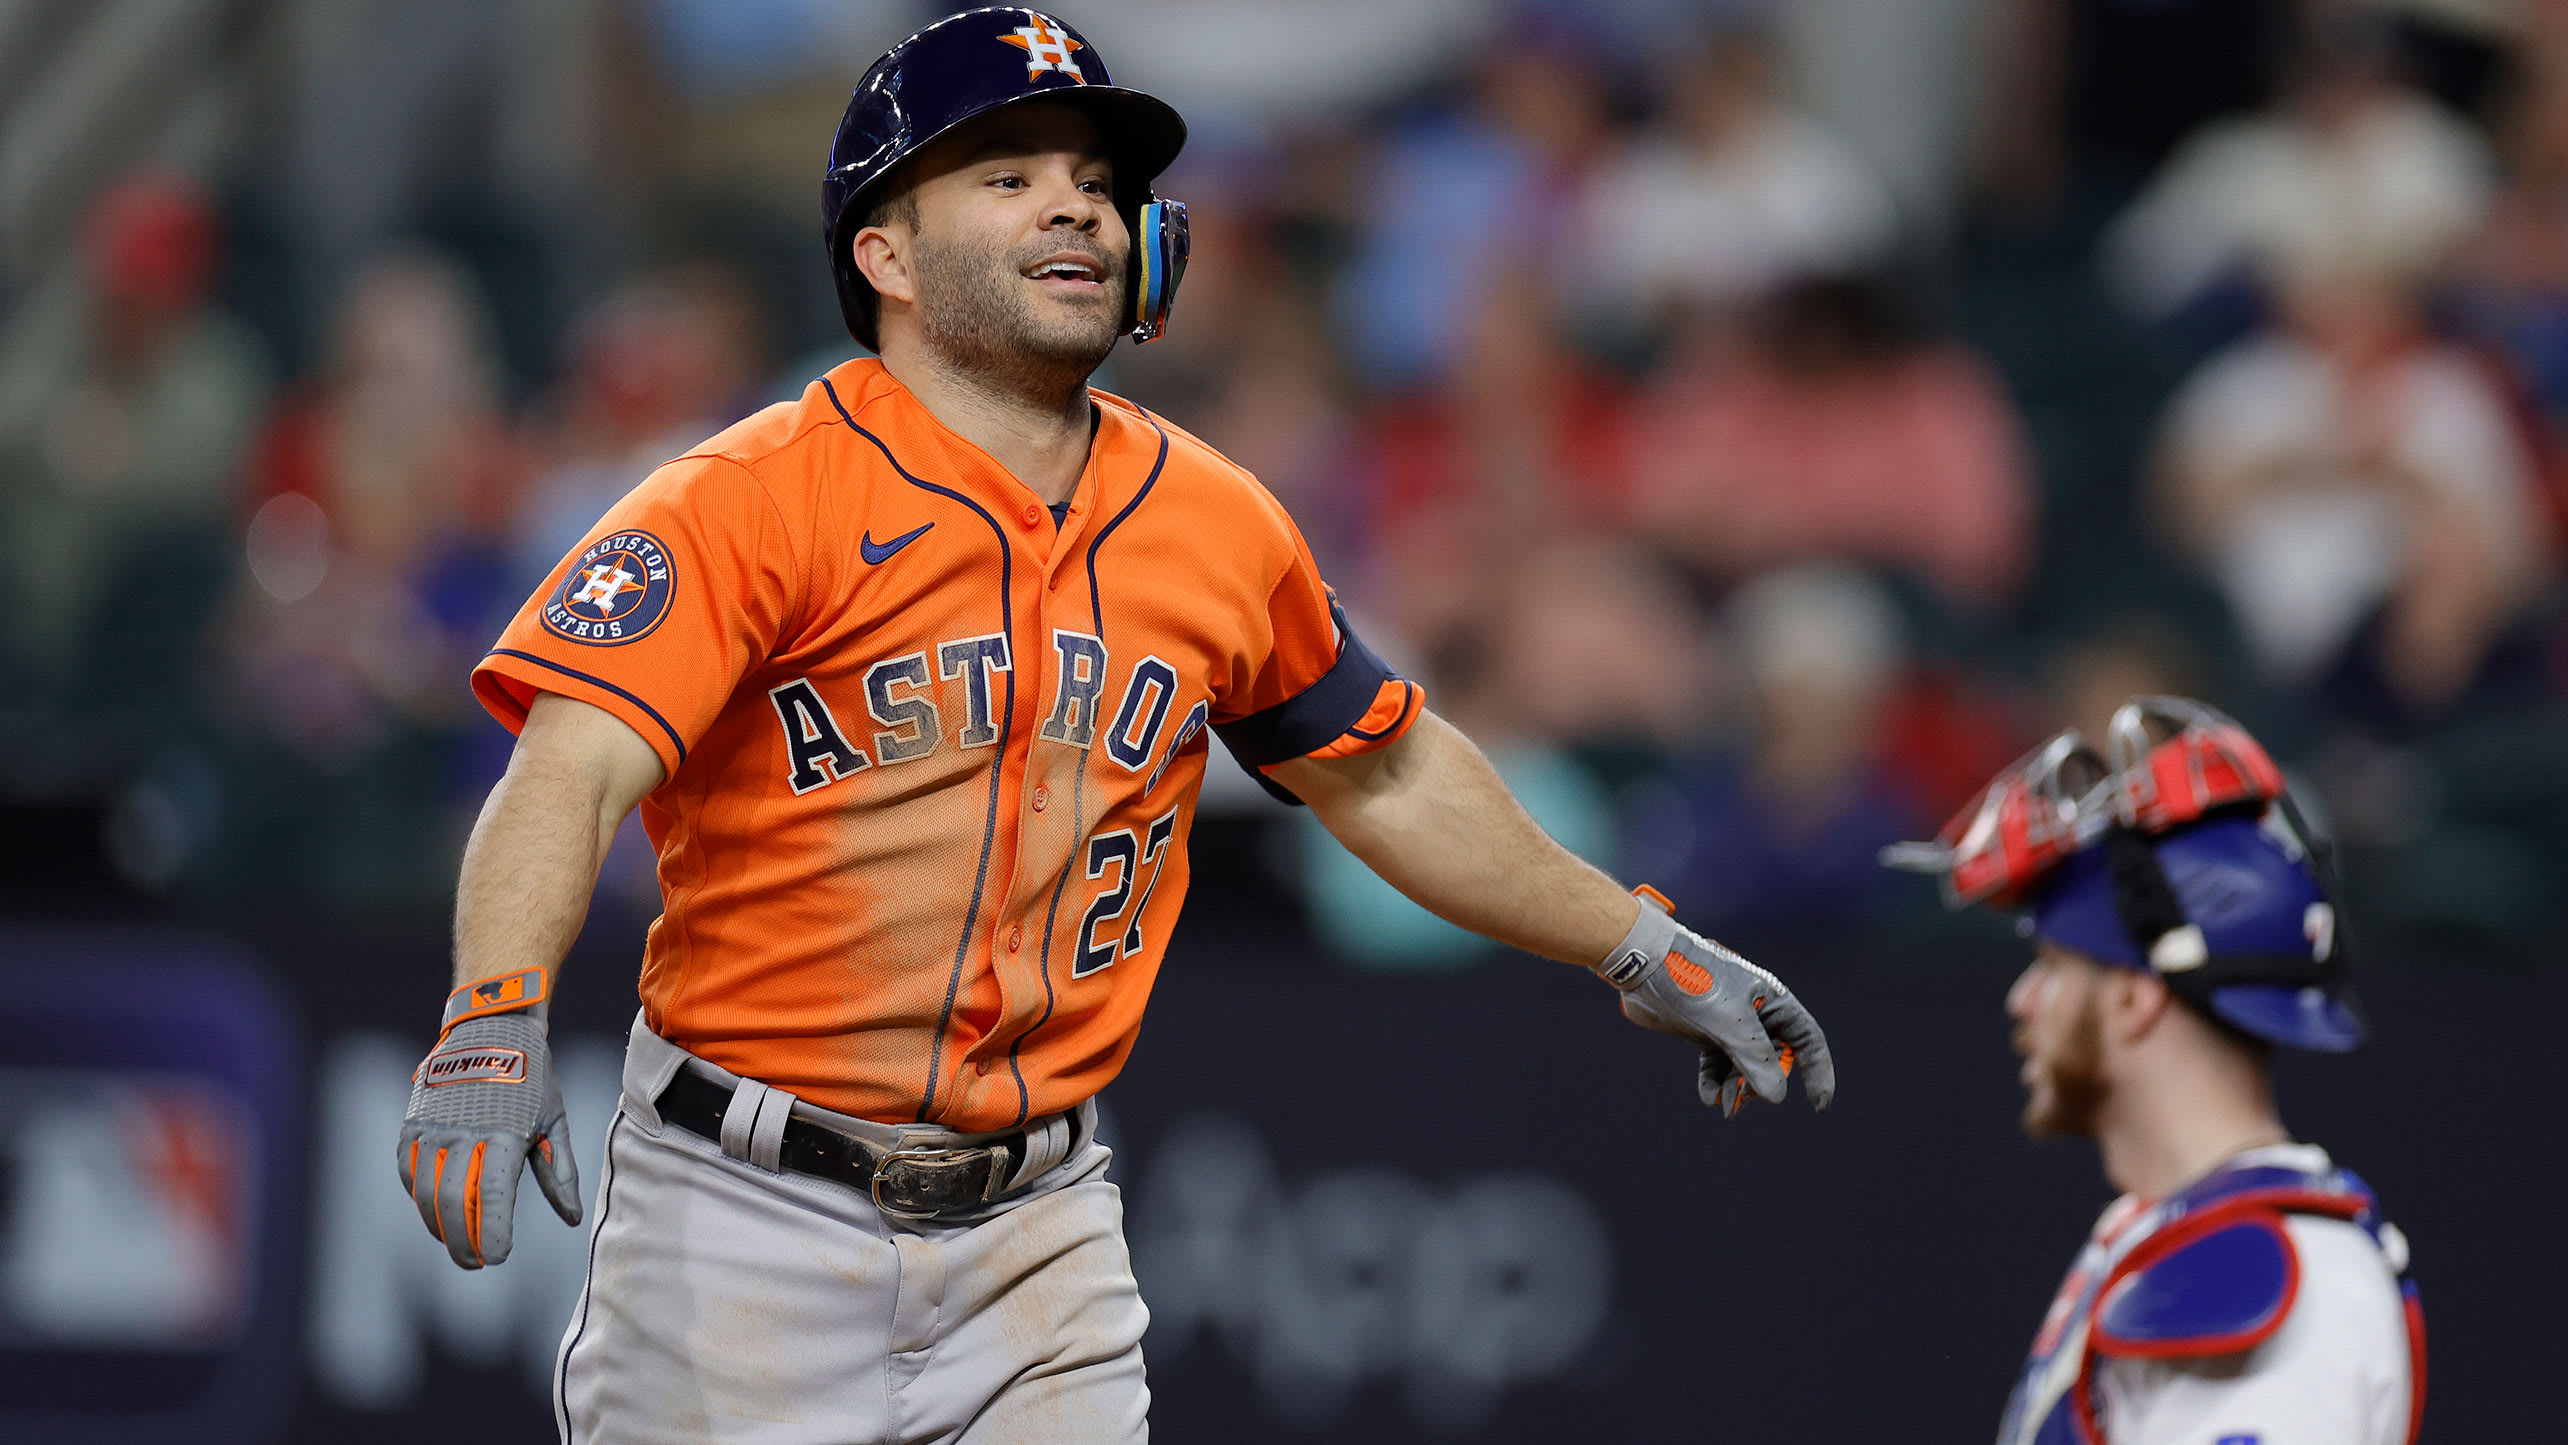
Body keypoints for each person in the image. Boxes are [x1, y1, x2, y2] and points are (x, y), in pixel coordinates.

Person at [390, 12, 1836, 1443]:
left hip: (1040, 1233)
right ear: (884, 255)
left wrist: (1633, 938)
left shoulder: (1215, 517)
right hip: (745, 1222)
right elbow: (571, 765)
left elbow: (1383, 768)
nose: (1075, 199)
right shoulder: (746, 496)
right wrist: (492, 1012)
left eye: (1093, 175)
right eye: (1006, 173)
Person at [1885, 697, 2424, 1445]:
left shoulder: (2285, 1273)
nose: (2021, 1000)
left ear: (2137, 999)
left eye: (2051, 966)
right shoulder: (2152, 1225)